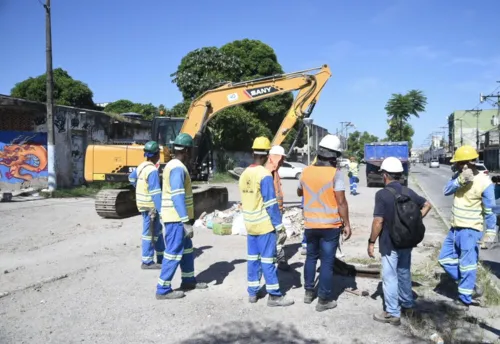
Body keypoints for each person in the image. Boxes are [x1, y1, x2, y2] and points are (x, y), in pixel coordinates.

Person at [368, 156, 431, 325]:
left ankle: (392, 313)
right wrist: (416, 220)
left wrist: (371, 241)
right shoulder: (408, 192)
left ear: (385, 175)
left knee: (389, 277)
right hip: (407, 240)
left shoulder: (382, 194)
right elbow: (427, 205)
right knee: (403, 272)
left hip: (389, 243)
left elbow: (378, 222)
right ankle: (408, 305)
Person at [297, 134, 351, 312]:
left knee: (311, 258)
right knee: (327, 263)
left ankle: (308, 292)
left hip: (310, 225)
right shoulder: (335, 174)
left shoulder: (305, 171)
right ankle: (323, 300)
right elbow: (341, 202)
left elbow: (299, 192)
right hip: (330, 226)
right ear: (334, 156)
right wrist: (347, 224)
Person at [438, 145, 496, 308]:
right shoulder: (458, 177)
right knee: (444, 259)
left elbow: (490, 210)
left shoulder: (484, 182)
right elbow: (446, 191)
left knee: (467, 265)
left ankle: (464, 300)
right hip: (455, 228)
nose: (456, 166)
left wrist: (490, 232)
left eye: (459, 163)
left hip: (471, 230)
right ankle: (470, 287)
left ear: (469, 163)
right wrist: (461, 180)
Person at [239, 136, 294, 307]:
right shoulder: (264, 175)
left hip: (250, 224)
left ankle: (253, 293)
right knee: (268, 261)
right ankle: (274, 296)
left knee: (252, 259)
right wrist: (279, 226)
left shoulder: (245, 173)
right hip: (264, 226)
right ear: (267, 155)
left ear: (253, 152)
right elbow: (270, 204)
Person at [156, 133, 207, 300]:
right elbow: (177, 196)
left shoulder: (174, 165)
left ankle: (188, 280)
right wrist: (185, 221)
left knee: (186, 250)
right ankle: (163, 289)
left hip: (178, 218)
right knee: (173, 252)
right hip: (176, 219)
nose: (192, 152)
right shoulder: (177, 168)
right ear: (186, 150)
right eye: (190, 149)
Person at [128, 141, 165, 269]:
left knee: (157, 231)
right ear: (156, 155)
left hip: (143, 205)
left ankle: (161, 257)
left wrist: (139, 187)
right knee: (149, 233)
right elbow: (155, 193)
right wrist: (162, 211)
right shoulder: (152, 171)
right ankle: (147, 261)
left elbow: (131, 178)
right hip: (151, 207)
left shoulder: (141, 167)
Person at [266, 145, 290, 271]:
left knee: (276, 236)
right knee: (278, 235)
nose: (283, 162)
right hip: (273, 210)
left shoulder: (275, 171)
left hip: (277, 209)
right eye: (281, 159)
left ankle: (276, 257)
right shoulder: (268, 172)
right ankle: (280, 260)